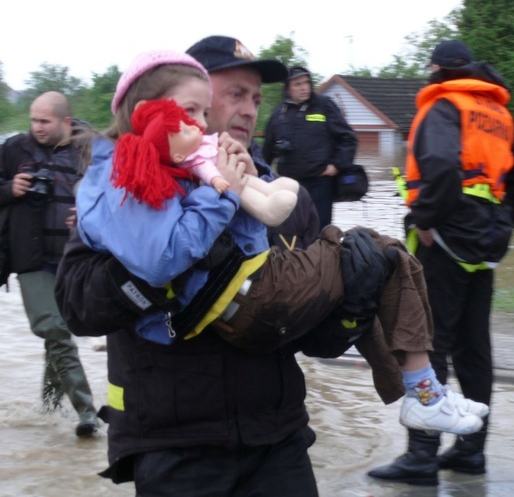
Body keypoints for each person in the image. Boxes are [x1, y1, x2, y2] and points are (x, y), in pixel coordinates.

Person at [54, 38, 484, 496]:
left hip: (278, 440)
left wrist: (352, 308)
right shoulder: (130, 185)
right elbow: (77, 306)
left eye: (257, 99)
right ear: (173, 100)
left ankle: (419, 390)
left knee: (377, 257)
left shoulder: (280, 197)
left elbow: (315, 340)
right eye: (235, 94)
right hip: (172, 443)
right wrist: (163, 271)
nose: (249, 110)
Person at [367, 40, 514, 486]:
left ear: (436, 69)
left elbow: (444, 171)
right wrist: (500, 222)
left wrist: (426, 220)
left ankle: (422, 457)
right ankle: (471, 451)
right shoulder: (498, 115)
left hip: (445, 239)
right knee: (474, 348)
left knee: (426, 343)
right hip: (484, 242)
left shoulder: (443, 106)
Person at [0, 91, 99, 437]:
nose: (36, 128)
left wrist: (88, 215)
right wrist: (10, 187)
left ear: (65, 123)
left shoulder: (89, 150)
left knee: (59, 335)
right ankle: (88, 412)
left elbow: (113, 194)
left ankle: (49, 411)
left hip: (73, 259)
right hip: (30, 259)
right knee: (54, 330)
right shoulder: (14, 149)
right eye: (33, 120)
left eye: (44, 121)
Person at [112, 97, 299, 227]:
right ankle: (267, 208)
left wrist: (255, 172)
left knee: (247, 181)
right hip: (227, 182)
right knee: (243, 191)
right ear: (177, 157)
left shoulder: (207, 143)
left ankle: (270, 189)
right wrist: (218, 180)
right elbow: (206, 170)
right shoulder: (194, 160)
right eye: (190, 111)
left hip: (235, 174)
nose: (197, 125)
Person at [262, 65, 358, 229]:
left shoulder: (324, 106)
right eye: (297, 84)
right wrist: (262, 179)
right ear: (288, 89)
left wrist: (336, 165)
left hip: (320, 183)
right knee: (288, 231)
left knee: (319, 231)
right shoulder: (279, 113)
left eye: (306, 82)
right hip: (288, 184)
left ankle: (322, 255)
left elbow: (348, 138)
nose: (304, 87)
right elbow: (267, 150)